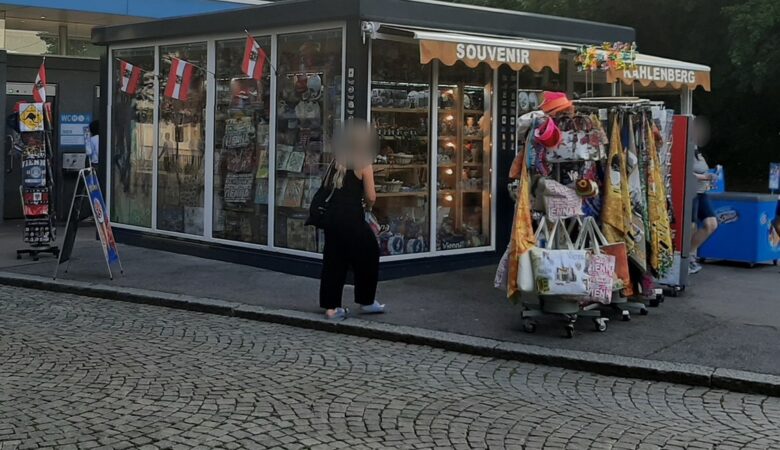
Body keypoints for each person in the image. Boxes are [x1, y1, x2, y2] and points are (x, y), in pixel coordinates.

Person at [319, 121, 384, 320]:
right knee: (369, 253)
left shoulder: (337, 160)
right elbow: (371, 196)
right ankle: (366, 300)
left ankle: (331, 307)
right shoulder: (363, 161)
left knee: (333, 261)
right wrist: (369, 208)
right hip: (352, 218)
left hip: (331, 219)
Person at [689, 148, 719, 274]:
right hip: (691, 192)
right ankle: (687, 258)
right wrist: (705, 177)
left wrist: (711, 176)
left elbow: (703, 170)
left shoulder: (698, 153)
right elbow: (685, 172)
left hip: (702, 192)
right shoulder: (686, 149)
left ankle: (689, 254)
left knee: (712, 224)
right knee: (691, 227)